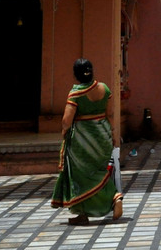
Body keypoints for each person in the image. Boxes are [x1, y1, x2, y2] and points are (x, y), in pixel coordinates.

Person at [51, 57, 123, 225]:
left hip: (83, 140)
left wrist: (64, 131)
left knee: (82, 175)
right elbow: (109, 114)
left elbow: (66, 121)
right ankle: (86, 212)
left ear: (76, 74)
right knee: (99, 171)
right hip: (103, 134)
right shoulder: (104, 88)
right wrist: (112, 134)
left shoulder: (76, 93)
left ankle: (112, 197)